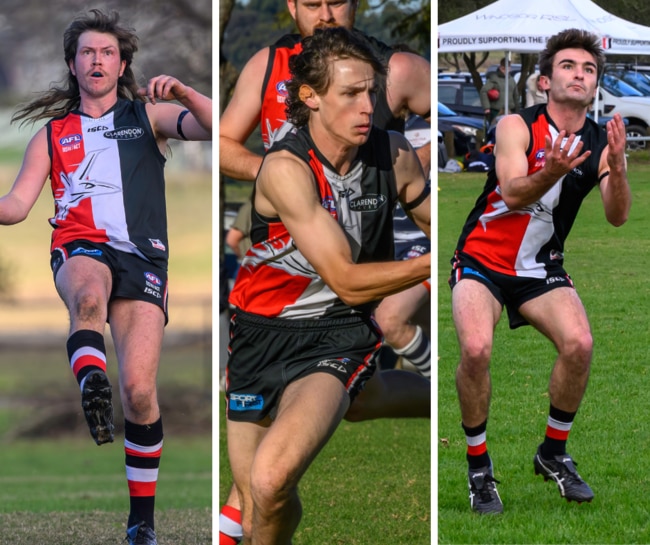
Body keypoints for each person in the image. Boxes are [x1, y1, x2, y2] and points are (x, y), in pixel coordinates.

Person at [219, 3, 431, 541]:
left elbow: (443, 232)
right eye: (351, 95)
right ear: (310, 97)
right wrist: (426, 267)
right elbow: (345, 274)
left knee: (268, 480)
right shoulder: (286, 170)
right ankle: (439, 395)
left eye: (371, 93)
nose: (368, 107)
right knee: (262, 506)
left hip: (336, 334)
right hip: (257, 336)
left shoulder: (395, 155)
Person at [0, 9, 211, 543]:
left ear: (121, 65)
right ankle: (92, 380)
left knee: (140, 392)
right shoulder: (52, 135)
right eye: (87, 53)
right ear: (73, 65)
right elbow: (16, 206)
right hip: (80, 245)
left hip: (143, 258)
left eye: (107, 53)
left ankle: (142, 524)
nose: (97, 60)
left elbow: (218, 128)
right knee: (87, 297)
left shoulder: (148, 116)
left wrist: (185, 93)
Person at [449, 28, 630, 515]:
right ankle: (479, 468)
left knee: (580, 344)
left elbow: (617, 216)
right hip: (482, 259)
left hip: (540, 267)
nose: (580, 74)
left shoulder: (598, 140)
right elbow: (511, 193)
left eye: (589, 69)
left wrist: (619, 166)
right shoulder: (516, 124)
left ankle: (552, 453)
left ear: (594, 86)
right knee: (476, 348)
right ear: (545, 81)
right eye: (569, 66)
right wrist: (550, 170)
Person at [480, 57, 520, 123]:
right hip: (497, 111)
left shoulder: (511, 80)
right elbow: (483, 91)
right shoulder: (494, 78)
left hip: (510, 110)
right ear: (501, 67)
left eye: (508, 68)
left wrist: (518, 111)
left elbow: (516, 96)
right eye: (504, 68)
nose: (507, 70)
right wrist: (487, 108)